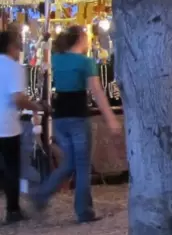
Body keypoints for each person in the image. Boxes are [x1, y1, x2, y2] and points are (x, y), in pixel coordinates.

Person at [32, 26, 120, 223]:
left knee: (70, 162)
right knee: (82, 165)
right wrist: (111, 118)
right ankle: (84, 211)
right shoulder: (86, 62)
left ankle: (42, 194)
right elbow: (97, 92)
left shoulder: (56, 58)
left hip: (60, 116)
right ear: (81, 38)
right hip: (78, 115)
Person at [0, 30, 43, 224]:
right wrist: (36, 106)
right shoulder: (14, 68)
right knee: (11, 168)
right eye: (18, 45)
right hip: (6, 125)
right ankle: (13, 209)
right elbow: (18, 98)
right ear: (11, 46)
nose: (20, 49)